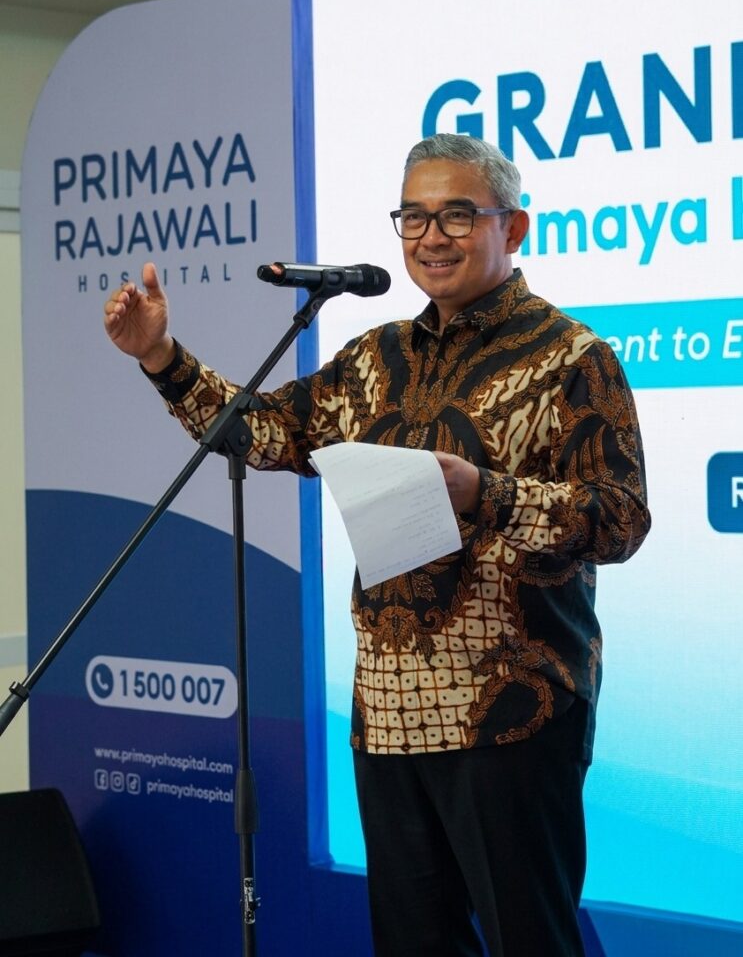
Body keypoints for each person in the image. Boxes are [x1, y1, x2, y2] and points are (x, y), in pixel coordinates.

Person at [104, 133, 651, 957]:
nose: (431, 237)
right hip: (390, 713)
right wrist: (160, 358)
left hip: (511, 713)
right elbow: (262, 433)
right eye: (413, 217)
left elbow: (620, 518)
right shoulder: (373, 358)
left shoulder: (571, 358)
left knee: (530, 940)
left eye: (456, 215)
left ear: (513, 227)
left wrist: (486, 492)